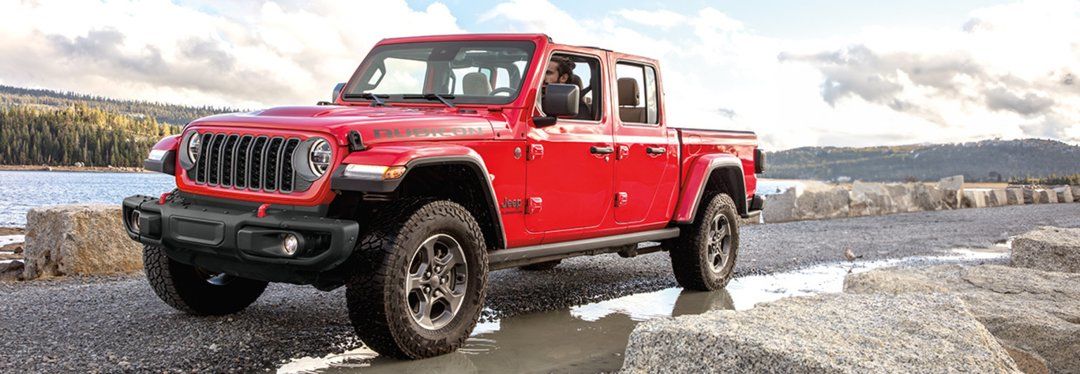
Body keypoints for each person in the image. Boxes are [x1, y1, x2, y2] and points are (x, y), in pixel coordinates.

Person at [542, 56, 591, 120]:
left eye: (548, 73)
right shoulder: (538, 101)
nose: (542, 78)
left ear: (563, 78)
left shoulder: (578, 109)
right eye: (541, 73)